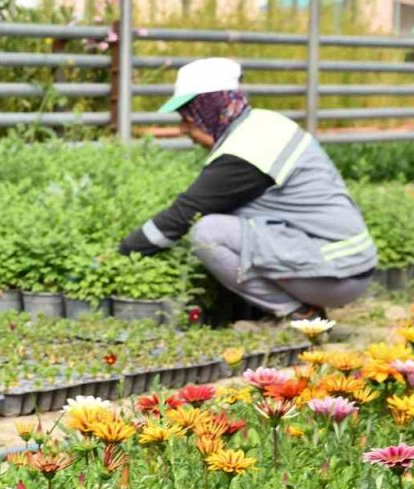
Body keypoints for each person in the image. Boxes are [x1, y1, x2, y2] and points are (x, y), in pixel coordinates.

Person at [119, 57, 376, 319]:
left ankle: (300, 314)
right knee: (224, 218)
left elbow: (182, 216)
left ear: (208, 108)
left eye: (187, 116)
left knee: (207, 233)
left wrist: (121, 254)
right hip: (345, 262)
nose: (183, 129)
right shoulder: (263, 125)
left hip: (338, 271)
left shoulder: (246, 150)